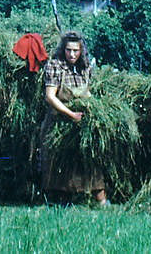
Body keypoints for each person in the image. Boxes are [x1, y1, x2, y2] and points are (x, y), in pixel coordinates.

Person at [40, 30, 108, 206]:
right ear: (63, 49)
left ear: (81, 51)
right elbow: (50, 96)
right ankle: (61, 204)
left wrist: (94, 109)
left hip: (80, 124)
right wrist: (70, 115)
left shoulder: (84, 68)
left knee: (90, 161)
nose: (72, 54)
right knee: (63, 166)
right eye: (68, 50)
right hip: (59, 123)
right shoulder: (55, 66)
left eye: (76, 51)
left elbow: (87, 93)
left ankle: (101, 202)